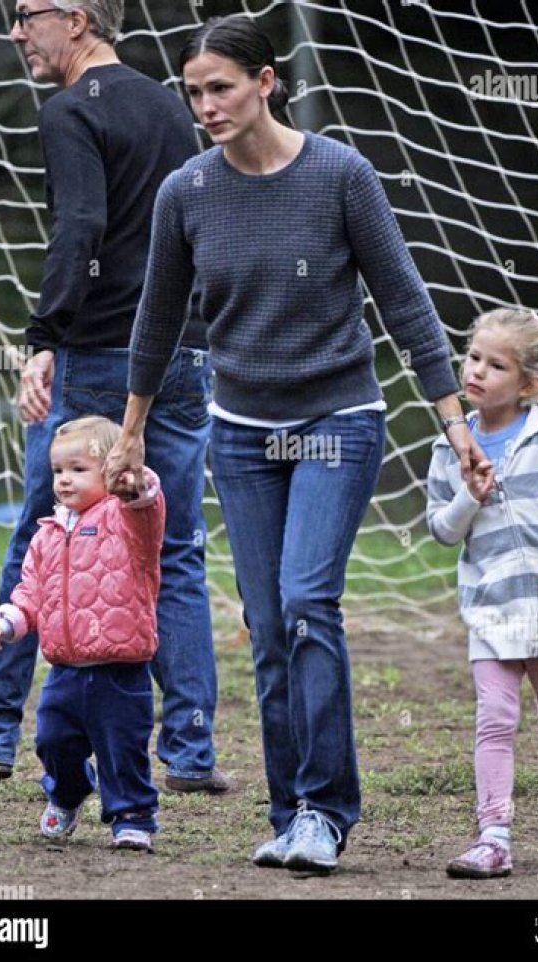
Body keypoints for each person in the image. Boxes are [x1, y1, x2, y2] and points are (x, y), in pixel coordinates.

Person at [103, 14, 485, 874]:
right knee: (268, 622)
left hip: (336, 422)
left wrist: (455, 423)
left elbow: (407, 303)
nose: (206, 104)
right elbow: (157, 323)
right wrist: (130, 433)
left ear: (267, 81)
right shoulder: (186, 193)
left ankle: (325, 809)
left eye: (222, 86)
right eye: (194, 90)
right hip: (239, 431)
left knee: (309, 602)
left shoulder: (340, 174)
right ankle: (290, 810)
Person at [0, 0, 228, 795]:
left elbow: (81, 225)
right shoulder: (173, 106)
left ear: (76, 19)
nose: (13, 31)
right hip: (180, 349)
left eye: (25, 14)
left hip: (99, 353)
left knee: (47, 532)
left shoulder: (69, 109)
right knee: (172, 548)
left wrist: (44, 336)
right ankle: (192, 751)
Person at [426, 307, 538, 879]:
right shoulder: (449, 448)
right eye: (473, 357)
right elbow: (441, 530)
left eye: (495, 365)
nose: (475, 371)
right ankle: (493, 836)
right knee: (494, 720)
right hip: (490, 611)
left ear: (526, 383)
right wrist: (469, 495)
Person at [0, 417, 163, 851]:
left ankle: (132, 816)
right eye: (59, 470)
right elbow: (31, 591)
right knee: (52, 740)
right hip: (64, 670)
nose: (64, 479)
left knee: (123, 750)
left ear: (110, 471)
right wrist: (10, 620)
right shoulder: (47, 534)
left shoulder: (126, 519)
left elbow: (147, 502)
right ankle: (68, 792)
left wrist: (134, 480)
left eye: (78, 469)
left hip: (121, 672)